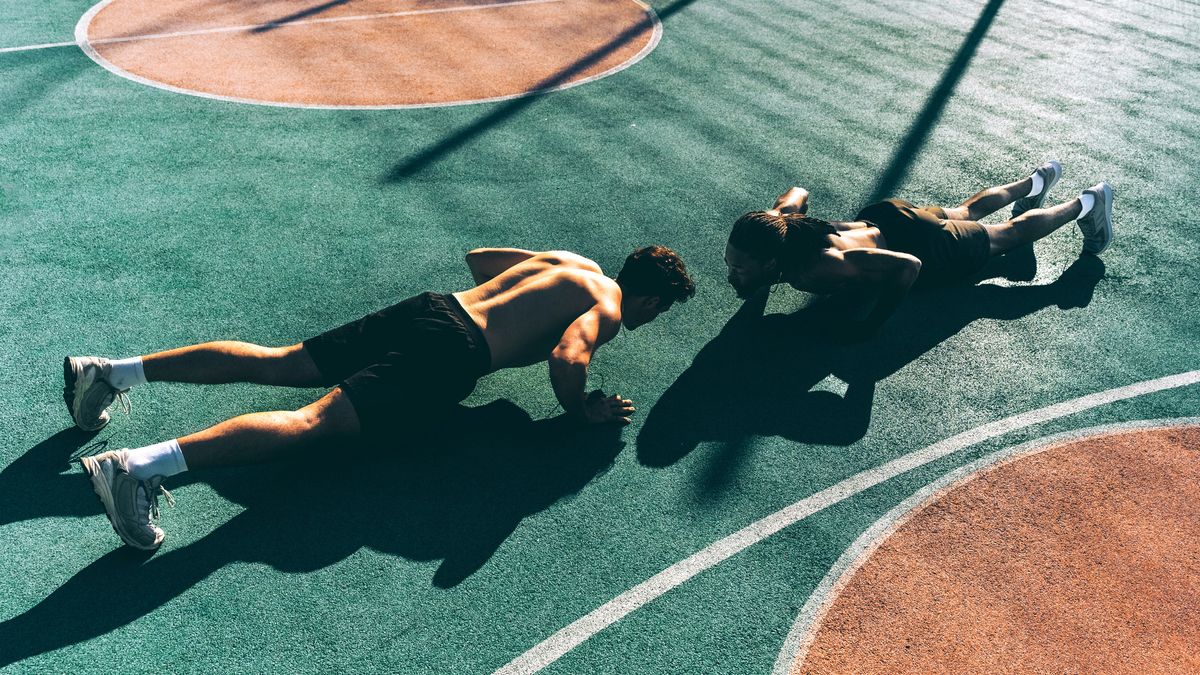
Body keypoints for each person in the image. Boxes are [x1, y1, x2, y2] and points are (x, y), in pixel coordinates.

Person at [64, 245, 695, 550]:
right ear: (649, 300)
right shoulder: (608, 307)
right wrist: (582, 409)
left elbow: (481, 261)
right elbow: (568, 357)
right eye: (658, 312)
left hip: (433, 309)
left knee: (281, 361)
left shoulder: (571, 262)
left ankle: (110, 371)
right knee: (314, 423)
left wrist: (520, 312)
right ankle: (136, 468)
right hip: (455, 353)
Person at [723, 161, 1113, 338]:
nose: (732, 275)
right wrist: (780, 220)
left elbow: (907, 267)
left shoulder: (823, 266)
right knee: (965, 209)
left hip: (919, 245)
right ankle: (1037, 179)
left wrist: (870, 326)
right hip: (888, 217)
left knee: (1003, 237)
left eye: (740, 269)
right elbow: (798, 192)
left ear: (771, 261)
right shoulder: (781, 223)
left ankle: (1089, 203)